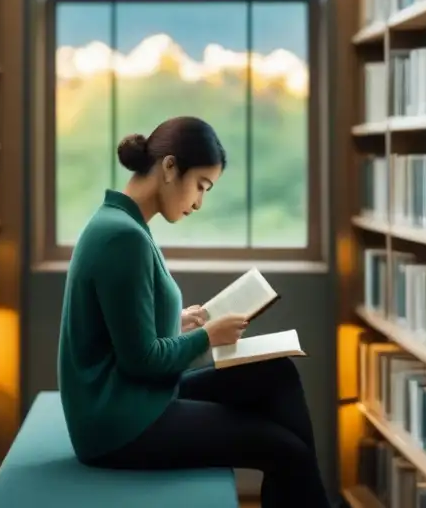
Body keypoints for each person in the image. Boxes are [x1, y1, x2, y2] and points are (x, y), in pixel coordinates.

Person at [57, 116, 331, 508]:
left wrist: (177, 322)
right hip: (119, 425)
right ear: (170, 167)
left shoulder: (124, 224)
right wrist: (206, 337)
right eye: (201, 186)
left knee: (277, 372)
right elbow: (141, 361)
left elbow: (125, 332)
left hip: (135, 400)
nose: (200, 202)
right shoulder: (123, 238)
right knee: (287, 450)